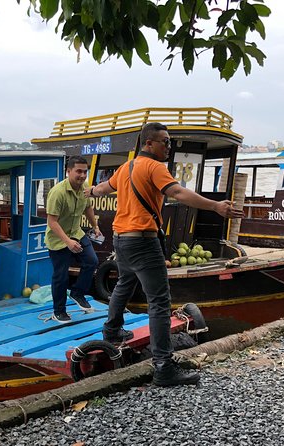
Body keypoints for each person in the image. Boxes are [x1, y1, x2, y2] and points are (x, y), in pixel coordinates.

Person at [85, 122, 243, 387]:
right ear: (149, 143)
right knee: (159, 301)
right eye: (165, 142)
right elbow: (179, 193)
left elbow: (102, 189)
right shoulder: (155, 168)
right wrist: (215, 205)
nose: (169, 146)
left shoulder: (126, 167)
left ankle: (112, 331)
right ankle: (163, 366)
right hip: (143, 241)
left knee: (125, 282)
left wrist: (88, 191)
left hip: (122, 238)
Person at [45, 156, 102, 323]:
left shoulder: (84, 187)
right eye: (78, 171)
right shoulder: (58, 192)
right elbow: (52, 222)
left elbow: (88, 208)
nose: (82, 175)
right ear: (68, 171)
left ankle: (77, 293)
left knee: (91, 261)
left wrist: (95, 226)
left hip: (76, 232)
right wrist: (67, 242)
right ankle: (59, 311)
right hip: (58, 238)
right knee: (61, 276)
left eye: (85, 172)